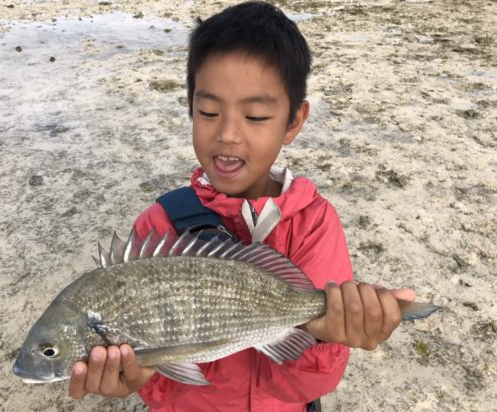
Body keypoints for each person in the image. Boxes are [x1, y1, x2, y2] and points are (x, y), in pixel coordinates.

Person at [68, 2, 415, 410]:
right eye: (209, 111)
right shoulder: (159, 226)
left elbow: (302, 388)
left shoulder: (314, 224)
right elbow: (164, 390)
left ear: (294, 121)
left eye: (255, 115)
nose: (228, 133)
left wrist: (325, 336)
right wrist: (139, 377)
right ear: (190, 107)